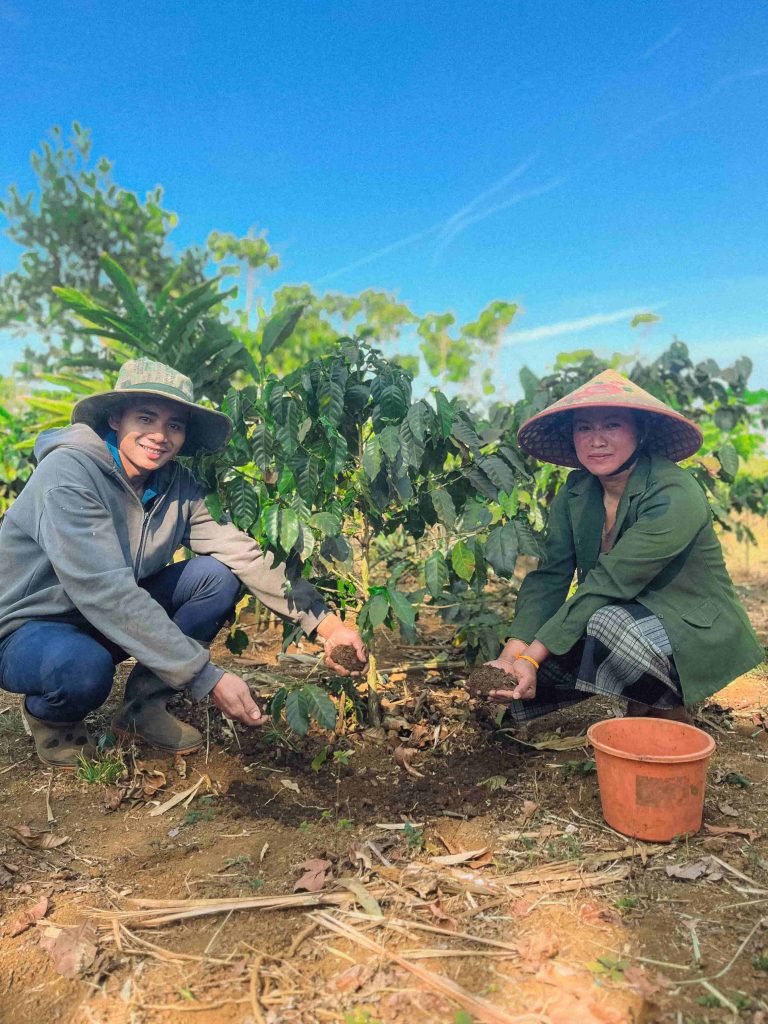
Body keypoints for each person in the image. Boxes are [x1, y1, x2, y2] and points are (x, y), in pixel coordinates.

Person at [0, 359, 367, 768]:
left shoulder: (177, 486)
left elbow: (241, 551)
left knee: (214, 577)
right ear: (116, 419)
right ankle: (54, 720)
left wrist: (327, 625)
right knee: (82, 669)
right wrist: (205, 678)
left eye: (174, 425)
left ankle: (143, 709)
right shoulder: (68, 474)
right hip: (26, 629)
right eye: (146, 418)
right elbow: (104, 590)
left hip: (101, 618)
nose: (160, 436)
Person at [484, 369, 763, 724]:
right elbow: (551, 576)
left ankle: (672, 713)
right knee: (572, 629)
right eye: (584, 427)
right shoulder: (576, 491)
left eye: (612, 425)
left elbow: (610, 581)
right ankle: (641, 705)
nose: (596, 440)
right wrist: (512, 657)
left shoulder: (674, 491)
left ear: (641, 431)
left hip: (692, 626)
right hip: (630, 615)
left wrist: (531, 658)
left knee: (604, 622)